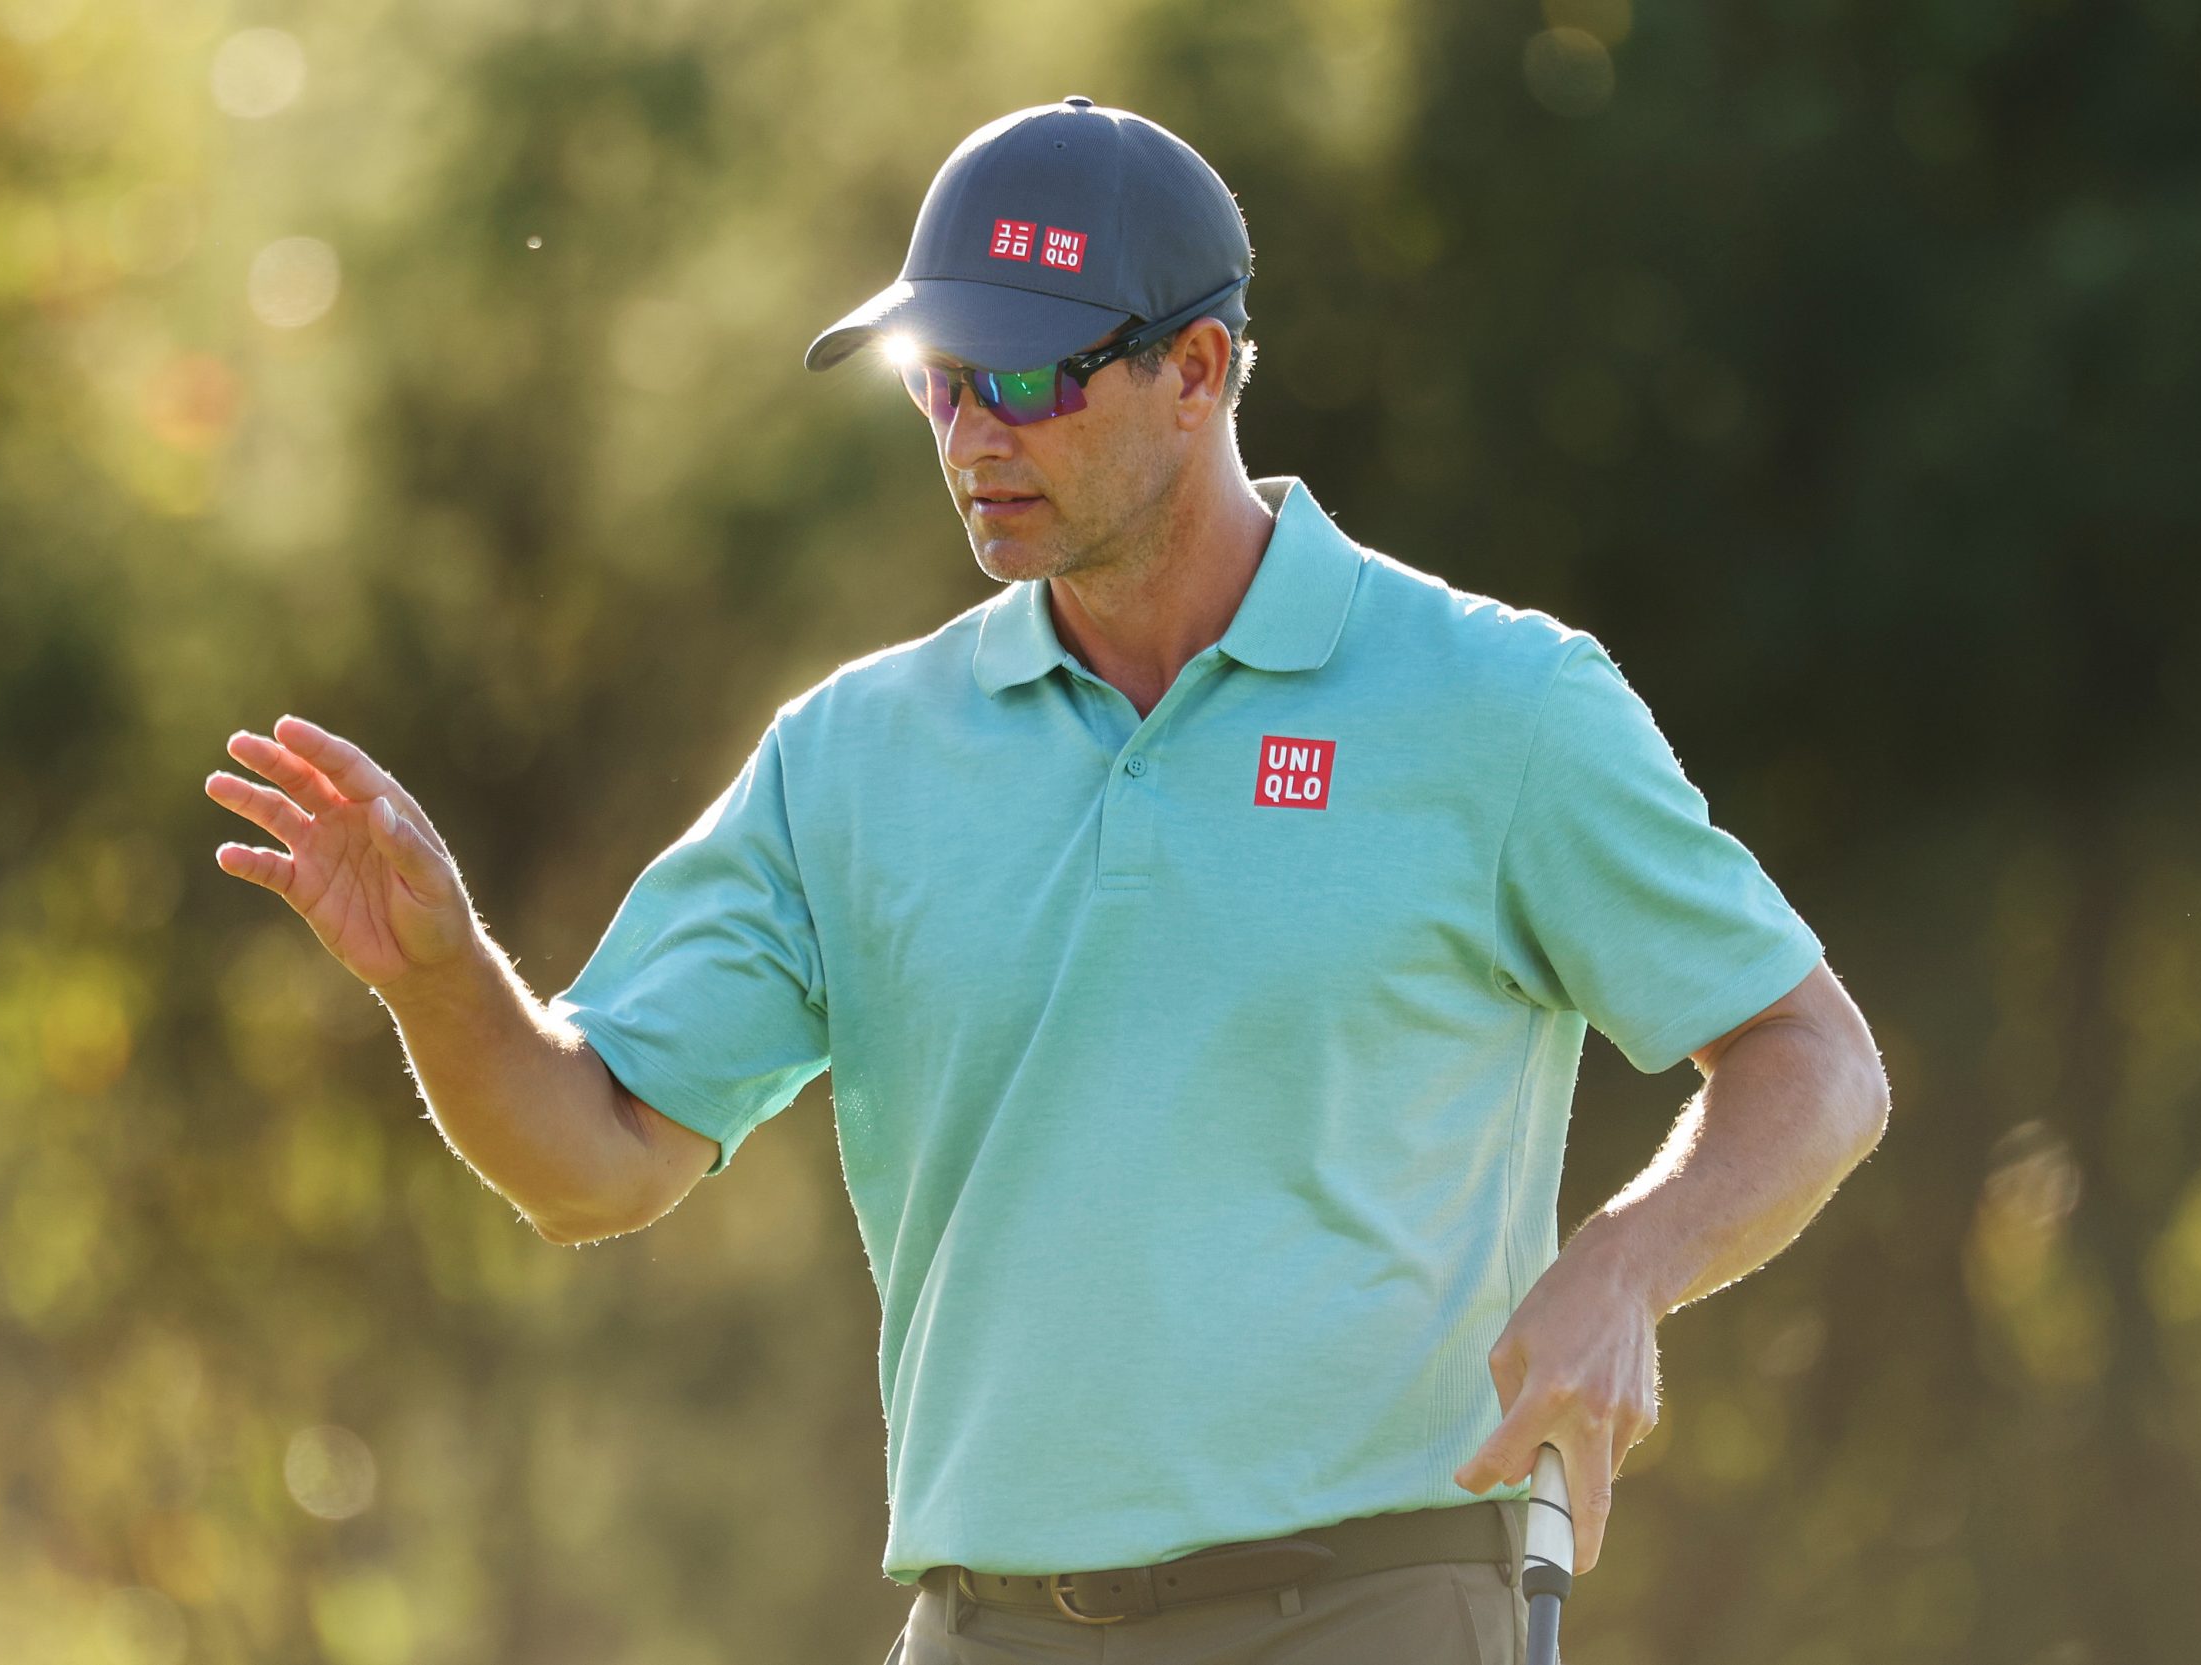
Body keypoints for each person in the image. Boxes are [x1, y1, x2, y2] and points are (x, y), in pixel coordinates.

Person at [206, 96, 1891, 1665]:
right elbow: (593, 1164)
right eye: (937, 380)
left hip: (1374, 1608)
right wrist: (439, 977)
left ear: (1202, 367)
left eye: (1030, 382)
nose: (970, 434)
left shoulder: (1496, 702)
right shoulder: (850, 758)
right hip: (989, 1624)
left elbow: (1815, 1062)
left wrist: (1626, 1257)